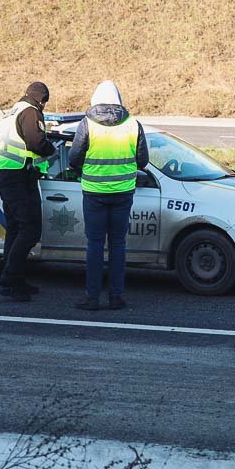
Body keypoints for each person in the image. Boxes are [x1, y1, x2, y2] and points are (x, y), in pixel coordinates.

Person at [68, 81, 149, 311]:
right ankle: (116, 297)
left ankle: (92, 297)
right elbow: (143, 160)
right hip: (123, 193)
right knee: (118, 244)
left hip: (94, 193)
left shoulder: (87, 124)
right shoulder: (133, 124)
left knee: (94, 244)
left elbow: (74, 157)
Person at [0, 81, 57, 302]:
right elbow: (36, 142)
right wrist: (52, 149)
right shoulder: (31, 112)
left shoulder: (12, 113)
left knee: (15, 229)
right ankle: (8, 281)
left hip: (9, 175)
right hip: (18, 177)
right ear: (41, 99)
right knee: (30, 229)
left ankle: (15, 280)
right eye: (45, 102)